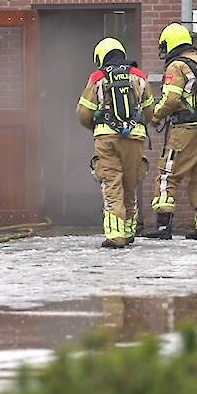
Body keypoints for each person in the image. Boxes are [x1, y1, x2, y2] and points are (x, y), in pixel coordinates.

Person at [142, 23, 197, 240]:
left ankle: (163, 226)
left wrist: (155, 116)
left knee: (168, 172)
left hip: (184, 129)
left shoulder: (177, 66)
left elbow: (172, 99)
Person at [77, 38, 154, 248]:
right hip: (135, 138)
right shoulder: (138, 76)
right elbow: (149, 110)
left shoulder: (98, 77)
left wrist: (96, 126)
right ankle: (129, 232)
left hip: (107, 139)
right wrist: (136, 125)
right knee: (130, 182)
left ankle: (115, 234)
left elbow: (83, 112)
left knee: (112, 183)